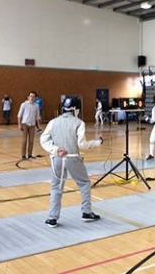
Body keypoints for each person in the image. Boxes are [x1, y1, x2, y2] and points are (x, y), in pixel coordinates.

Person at [40, 96, 103, 228]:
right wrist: (97, 142)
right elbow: (82, 145)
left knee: (56, 187)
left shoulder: (53, 122)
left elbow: (44, 140)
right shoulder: (79, 123)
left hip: (57, 158)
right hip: (72, 158)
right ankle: (86, 212)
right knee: (85, 183)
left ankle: (52, 218)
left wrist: (56, 150)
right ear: (75, 108)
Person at [17, 91, 41, 160]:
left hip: (32, 125)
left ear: (35, 98)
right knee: (24, 141)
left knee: (31, 141)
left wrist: (38, 126)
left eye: (33, 96)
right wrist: (19, 124)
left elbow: (37, 117)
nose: (32, 97)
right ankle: (23, 155)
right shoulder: (24, 104)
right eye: (31, 96)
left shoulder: (36, 106)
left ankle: (30, 154)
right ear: (28, 97)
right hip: (25, 124)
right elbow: (19, 115)